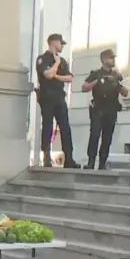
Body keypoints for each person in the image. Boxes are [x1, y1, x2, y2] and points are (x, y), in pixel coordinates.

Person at [35, 33, 80, 169]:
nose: (62, 46)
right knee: (47, 127)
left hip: (59, 98)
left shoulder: (62, 60)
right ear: (54, 43)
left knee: (65, 128)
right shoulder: (42, 59)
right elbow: (48, 75)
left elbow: (69, 78)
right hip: (47, 98)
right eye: (61, 43)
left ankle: (69, 159)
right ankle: (46, 158)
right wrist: (56, 64)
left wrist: (57, 75)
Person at [82, 49, 128, 170]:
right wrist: (97, 81)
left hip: (111, 109)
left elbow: (125, 92)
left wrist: (117, 84)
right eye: (111, 58)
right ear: (103, 59)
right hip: (98, 109)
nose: (113, 60)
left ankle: (102, 162)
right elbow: (84, 87)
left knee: (107, 137)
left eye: (114, 58)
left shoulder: (117, 75)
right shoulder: (96, 73)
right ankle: (91, 162)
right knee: (95, 135)